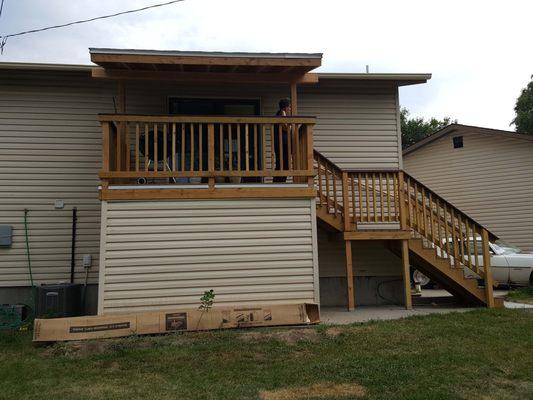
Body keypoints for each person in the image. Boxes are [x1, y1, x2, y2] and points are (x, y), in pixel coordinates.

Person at [273, 98, 291, 182]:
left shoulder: (281, 114)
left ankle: (280, 182)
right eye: (289, 107)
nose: (290, 109)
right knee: (282, 165)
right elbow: (285, 128)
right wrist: (289, 124)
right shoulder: (281, 114)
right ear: (284, 108)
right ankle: (278, 182)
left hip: (283, 144)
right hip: (282, 144)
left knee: (283, 165)